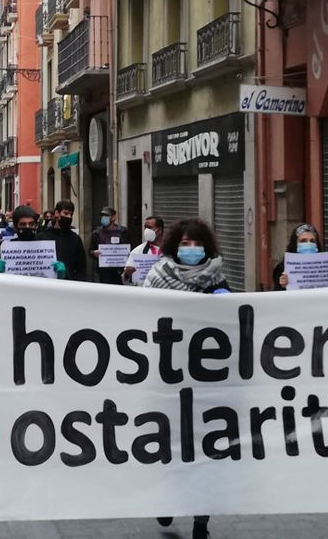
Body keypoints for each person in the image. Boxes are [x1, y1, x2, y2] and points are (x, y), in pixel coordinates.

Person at [142, 217, 224, 539]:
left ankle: (201, 520)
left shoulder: (217, 279)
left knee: (206, 448)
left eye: (197, 244)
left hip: (207, 379)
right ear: (175, 246)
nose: (191, 250)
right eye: (185, 244)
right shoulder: (157, 275)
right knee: (171, 443)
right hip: (167, 374)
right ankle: (168, 497)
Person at [265, 223, 328, 291]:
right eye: (303, 241)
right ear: (295, 244)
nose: (308, 244)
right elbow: (278, 300)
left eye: (312, 241)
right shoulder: (282, 268)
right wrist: (283, 286)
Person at [0, 205, 67, 277]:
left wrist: (62, 274)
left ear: (36, 225)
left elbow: (67, 280)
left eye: (31, 224)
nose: (28, 227)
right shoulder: (5, 250)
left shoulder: (48, 249)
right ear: (15, 226)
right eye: (23, 224)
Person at [45, 200, 89, 282]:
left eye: (71, 214)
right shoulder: (43, 237)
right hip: (48, 284)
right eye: (65, 213)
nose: (69, 217)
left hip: (70, 284)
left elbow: (81, 266)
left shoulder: (76, 239)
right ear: (57, 213)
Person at [88, 206, 128, 285]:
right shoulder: (97, 233)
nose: (103, 218)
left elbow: (129, 248)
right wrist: (94, 253)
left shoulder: (123, 231)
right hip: (103, 271)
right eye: (102, 216)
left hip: (119, 270)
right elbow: (90, 251)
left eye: (106, 216)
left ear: (113, 217)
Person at [123, 215, 165, 285]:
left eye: (149, 227)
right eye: (145, 227)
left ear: (159, 230)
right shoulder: (137, 252)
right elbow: (126, 279)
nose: (146, 230)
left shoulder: (171, 251)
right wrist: (127, 273)